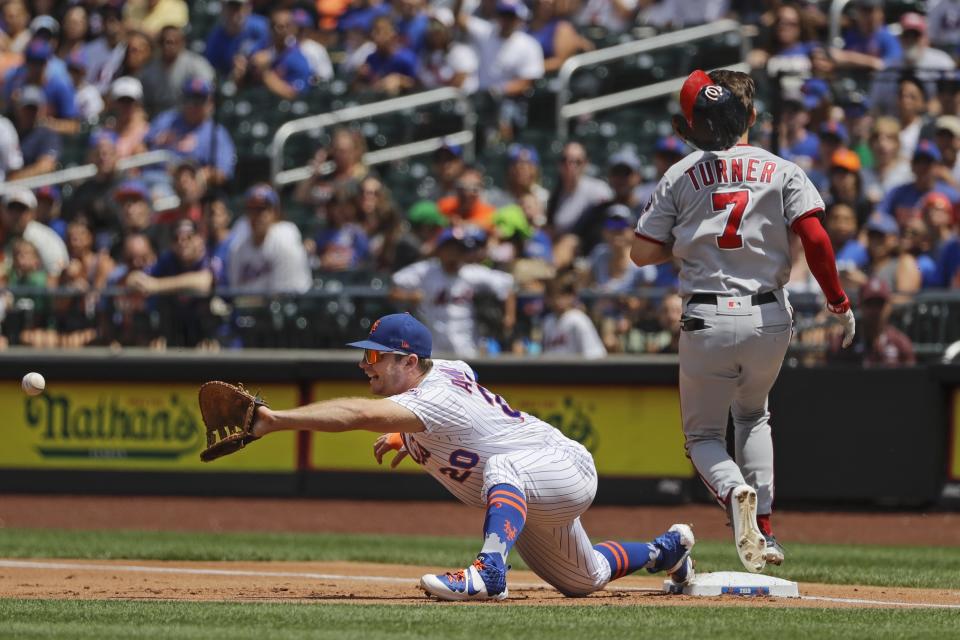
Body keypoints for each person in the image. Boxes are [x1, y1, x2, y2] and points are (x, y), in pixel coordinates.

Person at [229, 312, 694, 600]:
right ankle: (668, 550)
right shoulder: (439, 377)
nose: (364, 365)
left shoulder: (435, 395)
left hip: (563, 468)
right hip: (530, 490)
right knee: (582, 578)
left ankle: (490, 572)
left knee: (501, 465)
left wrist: (277, 419)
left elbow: (356, 414)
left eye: (375, 358)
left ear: (408, 363)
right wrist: (403, 436)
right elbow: (445, 415)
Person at [631, 69, 855, 574]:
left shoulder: (682, 172)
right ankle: (767, 532)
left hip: (707, 316)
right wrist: (838, 302)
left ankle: (733, 490)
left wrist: (690, 242)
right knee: (754, 416)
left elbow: (640, 253)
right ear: (750, 117)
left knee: (703, 437)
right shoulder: (782, 169)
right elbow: (816, 240)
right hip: (770, 315)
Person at [391, 227, 515, 357]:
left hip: (465, 344)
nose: (454, 252)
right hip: (433, 345)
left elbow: (507, 285)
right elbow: (393, 292)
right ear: (440, 249)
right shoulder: (425, 270)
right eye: (450, 247)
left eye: (459, 248)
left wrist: (509, 317)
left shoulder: (472, 272)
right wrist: (409, 297)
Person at [145, 78, 237, 185]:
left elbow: (223, 172)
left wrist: (194, 175)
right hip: (150, 176)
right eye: (189, 98)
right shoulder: (166, 120)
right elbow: (142, 145)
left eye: (199, 100)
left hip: (182, 189)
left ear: (210, 103)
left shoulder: (217, 133)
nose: (193, 105)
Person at [226, 184, 312, 294]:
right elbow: (236, 293)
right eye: (252, 209)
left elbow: (283, 295)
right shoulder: (238, 247)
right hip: (250, 308)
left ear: (275, 213)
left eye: (262, 209)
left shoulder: (285, 238)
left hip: (291, 305)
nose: (257, 215)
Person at [827, 278, 915, 367]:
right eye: (870, 304)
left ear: (889, 307)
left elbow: (910, 378)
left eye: (880, 304)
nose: (875, 310)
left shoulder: (900, 343)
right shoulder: (842, 343)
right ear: (860, 305)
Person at [139, 25, 215, 116]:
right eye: (164, 42)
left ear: (182, 43)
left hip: (188, 114)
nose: (168, 46)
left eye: (172, 42)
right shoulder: (151, 68)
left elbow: (207, 91)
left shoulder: (196, 65)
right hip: (158, 116)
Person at [541, 271, 606, 359]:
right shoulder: (548, 321)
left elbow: (595, 354)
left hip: (575, 370)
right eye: (552, 295)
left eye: (562, 295)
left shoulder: (578, 320)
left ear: (572, 295)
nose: (557, 300)